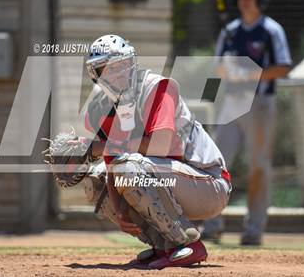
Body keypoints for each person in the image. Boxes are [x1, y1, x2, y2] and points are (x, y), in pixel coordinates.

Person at [71, 34, 232, 269]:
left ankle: (187, 244)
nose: (115, 74)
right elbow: (111, 160)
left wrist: (99, 147)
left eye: (120, 66)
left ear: (132, 64)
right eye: (106, 69)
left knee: (130, 167)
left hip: (208, 183)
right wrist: (120, 211)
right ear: (95, 75)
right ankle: (163, 245)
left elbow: (161, 145)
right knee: (95, 179)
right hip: (168, 179)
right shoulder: (102, 106)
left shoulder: (157, 87)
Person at [203, 0, 292, 246]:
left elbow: (284, 67)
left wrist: (250, 74)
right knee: (215, 162)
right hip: (232, 103)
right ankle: (212, 225)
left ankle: (253, 230)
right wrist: (228, 68)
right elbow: (217, 67)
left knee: (258, 167)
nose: (245, 0)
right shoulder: (229, 31)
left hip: (260, 105)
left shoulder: (271, 30)